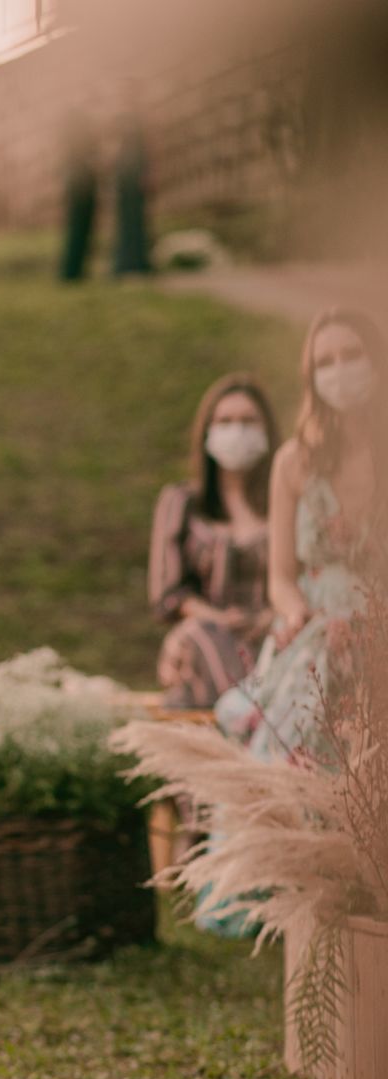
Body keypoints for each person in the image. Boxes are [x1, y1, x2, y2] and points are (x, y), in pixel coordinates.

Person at [205, 310, 382, 934]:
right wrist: (298, 613)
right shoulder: (294, 462)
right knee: (297, 722)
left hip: (379, 615)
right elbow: (282, 573)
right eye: (324, 362)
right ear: (310, 376)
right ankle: (294, 872)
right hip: (317, 617)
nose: (339, 372)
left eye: (350, 355)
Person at [148, 374, 277, 710]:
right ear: (207, 431)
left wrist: (264, 620)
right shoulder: (183, 502)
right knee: (199, 638)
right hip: (206, 637)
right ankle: (248, 719)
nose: (237, 430)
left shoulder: (285, 504)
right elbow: (169, 594)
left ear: (267, 430)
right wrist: (219, 621)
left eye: (249, 421)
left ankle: (245, 717)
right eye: (226, 421)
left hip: (273, 636)